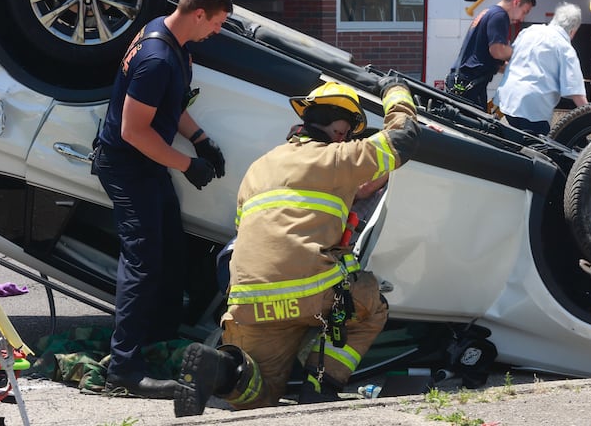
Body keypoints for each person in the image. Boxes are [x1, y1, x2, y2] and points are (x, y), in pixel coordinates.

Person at [173, 77, 420, 417]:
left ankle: (219, 368)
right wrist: (395, 90)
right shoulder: (340, 158)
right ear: (338, 127)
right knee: (372, 304)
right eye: (347, 131)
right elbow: (403, 138)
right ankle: (321, 385)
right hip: (308, 296)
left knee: (258, 394)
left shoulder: (259, 168)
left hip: (248, 304)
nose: (346, 137)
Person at [91, 0, 233, 399]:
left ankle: (157, 341)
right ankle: (125, 370)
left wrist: (201, 139)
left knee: (171, 251)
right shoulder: (156, 57)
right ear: (201, 14)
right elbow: (133, 131)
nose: (218, 32)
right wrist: (187, 163)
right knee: (143, 263)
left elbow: (170, 104)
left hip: (148, 165)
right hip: (128, 167)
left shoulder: (172, 41)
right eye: (219, 24)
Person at [494, 2, 588, 135]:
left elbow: (511, 58)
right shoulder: (565, 48)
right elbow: (577, 93)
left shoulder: (529, 31)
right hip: (532, 108)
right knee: (538, 150)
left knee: (516, 144)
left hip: (508, 100)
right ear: (573, 31)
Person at [445, 0, 536, 111]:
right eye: (524, 12)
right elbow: (497, 51)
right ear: (516, 2)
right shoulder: (500, 15)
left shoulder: (489, 12)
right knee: (474, 128)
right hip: (470, 84)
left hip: (466, 81)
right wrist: (522, 54)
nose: (522, 18)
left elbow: (486, 58)